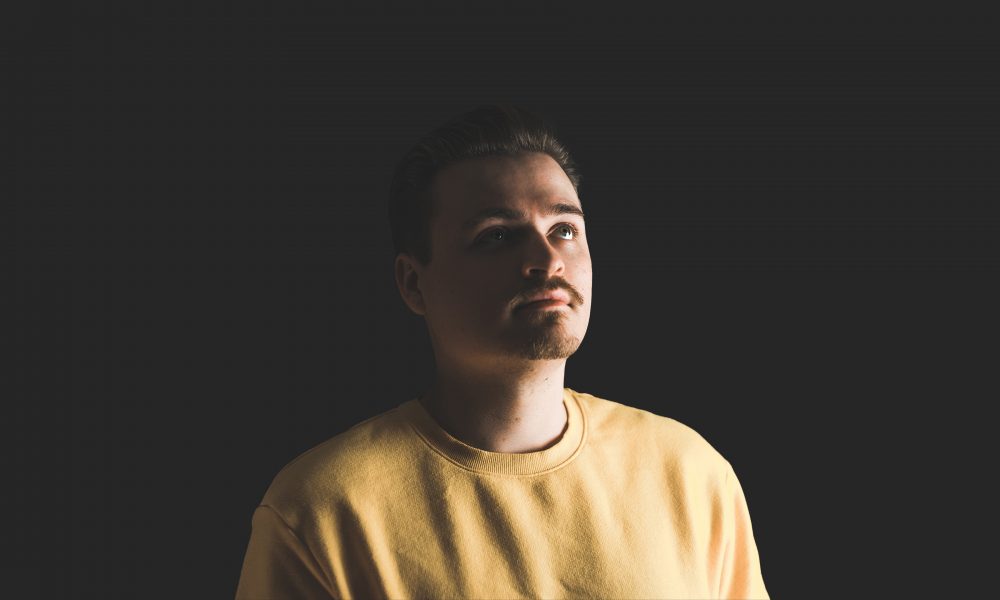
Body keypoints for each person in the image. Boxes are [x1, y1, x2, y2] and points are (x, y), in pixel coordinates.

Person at [235, 105, 769, 599]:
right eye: (496, 236)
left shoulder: (690, 471)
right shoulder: (320, 510)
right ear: (414, 283)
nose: (547, 259)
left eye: (564, 229)